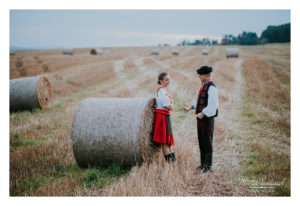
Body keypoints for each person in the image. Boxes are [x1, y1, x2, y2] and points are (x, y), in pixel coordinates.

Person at [184, 66, 218, 173]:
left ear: (207, 75)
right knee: (201, 141)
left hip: (207, 119)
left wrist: (203, 113)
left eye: (201, 75)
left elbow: (213, 105)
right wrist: (192, 107)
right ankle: (203, 164)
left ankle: (208, 167)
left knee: (207, 142)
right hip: (201, 119)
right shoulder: (204, 85)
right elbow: (201, 101)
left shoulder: (212, 87)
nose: (199, 76)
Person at [153, 72, 176, 162]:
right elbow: (167, 105)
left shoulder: (164, 91)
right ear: (161, 81)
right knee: (165, 141)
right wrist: (172, 106)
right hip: (162, 117)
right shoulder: (161, 91)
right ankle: (170, 164)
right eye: (166, 80)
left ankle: (173, 163)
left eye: (169, 79)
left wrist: (171, 106)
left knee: (168, 141)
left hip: (165, 116)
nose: (168, 81)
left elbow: (170, 106)